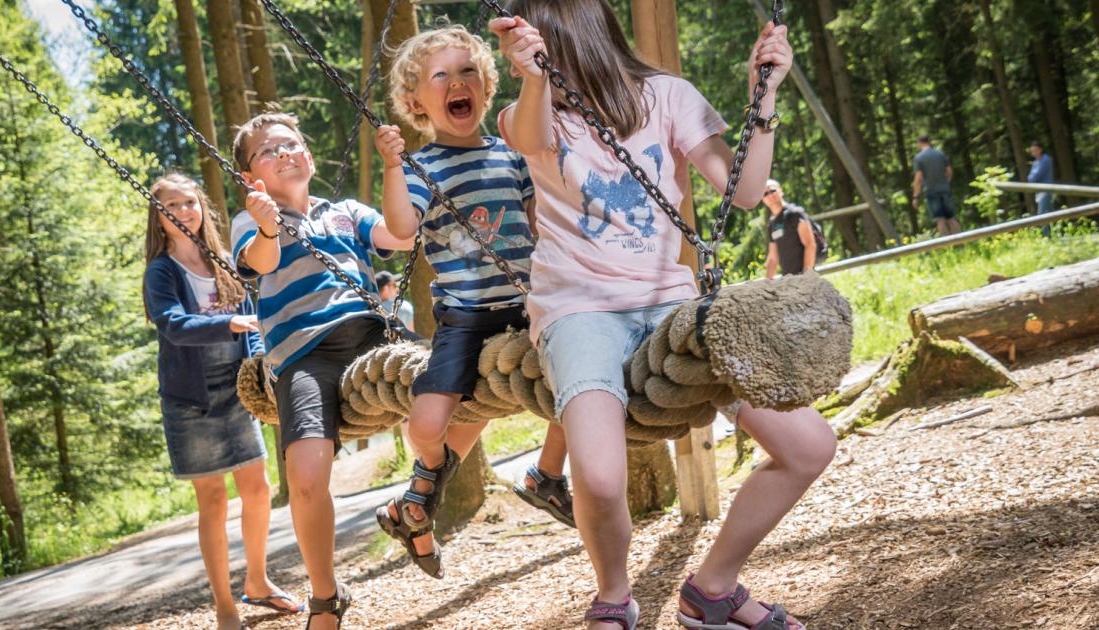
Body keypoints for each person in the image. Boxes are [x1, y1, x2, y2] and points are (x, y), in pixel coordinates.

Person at [493, 2, 834, 628]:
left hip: (670, 304)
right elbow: (533, 136)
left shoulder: (667, 96)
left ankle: (714, 587)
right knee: (597, 480)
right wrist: (534, 74)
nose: (512, 43)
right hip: (578, 309)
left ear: (565, 29)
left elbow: (745, 190)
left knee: (809, 445)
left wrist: (767, 96)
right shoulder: (527, 109)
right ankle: (615, 595)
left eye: (524, 30)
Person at [372, 25, 575, 579]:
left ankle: (547, 474)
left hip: (530, 302)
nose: (458, 84)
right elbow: (401, 227)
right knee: (425, 424)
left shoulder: (511, 155)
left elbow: (543, 220)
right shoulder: (421, 169)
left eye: (469, 73)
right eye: (443, 76)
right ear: (417, 103)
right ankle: (426, 483)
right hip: (465, 317)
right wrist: (393, 166)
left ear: (486, 90)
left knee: (584, 376)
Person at [230, 112, 415, 630]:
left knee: (447, 389)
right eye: (270, 151)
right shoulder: (250, 219)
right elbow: (259, 263)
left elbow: (401, 234)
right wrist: (268, 225)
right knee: (306, 479)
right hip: (305, 357)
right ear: (251, 177)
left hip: (370, 335)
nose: (285, 153)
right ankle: (326, 594)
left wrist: (394, 165)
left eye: (292, 144)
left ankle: (418, 499)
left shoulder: (345, 212)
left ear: (309, 157)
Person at [142, 173, 300, 630]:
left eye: (189, 202)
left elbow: (250, 321)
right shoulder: (162, 270)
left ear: (200, 207)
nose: (183, 210)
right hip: (190, 399)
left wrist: (255, 366)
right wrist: (228, 325)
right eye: (171, 205)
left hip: (236, 391)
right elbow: (172, 325)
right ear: (159, 217)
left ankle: (257, 581)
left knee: (257, 490)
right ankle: (225, 608)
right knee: (212, 501)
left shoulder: (224, 260)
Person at [761, 179, 818, 279]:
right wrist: (767, 283)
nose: (770, 195)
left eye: (773, 191)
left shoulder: (795, 214)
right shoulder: (772, 224)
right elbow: (773, 258)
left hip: (805, 277)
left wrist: (806, 277)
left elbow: (810, 245)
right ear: (763, 199)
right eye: (765, 194)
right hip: (788, 279)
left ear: (780, 191)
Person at [912, 135, 961, 235]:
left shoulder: (919, 158)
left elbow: (918, 179)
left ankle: (948, 246)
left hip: (931, 190)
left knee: (940, 220)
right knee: (951, 218)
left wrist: (915, 196)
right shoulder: (940, 154)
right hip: (944, 188)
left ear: (919, 143)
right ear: (929, 142)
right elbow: (949, 171)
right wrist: (946, 182)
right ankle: (961, 244)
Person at [1028, 140, 1056, 237]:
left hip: (1046, 190)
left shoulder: (1046, 159)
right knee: (1047, 213)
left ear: (1040, 150)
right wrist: (1033, 177)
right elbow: (1030, 178)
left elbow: (1036, 176)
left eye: (1035, 150)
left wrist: (1033, 177)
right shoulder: (1035, 163)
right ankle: (1052, 234)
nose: (1033, 153)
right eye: (1032, 151)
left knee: (1043, 214)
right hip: (1039, 191)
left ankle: (1047, 236)